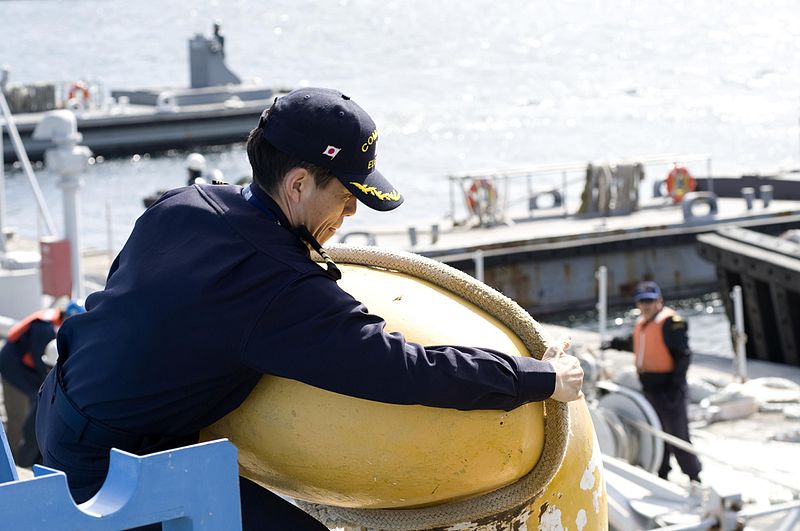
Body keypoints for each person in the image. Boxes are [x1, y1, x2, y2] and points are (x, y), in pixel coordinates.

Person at [36, 87, 584, 530]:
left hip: (60, 404)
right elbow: (401, 369)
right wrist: (540, 379)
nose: (347, 215)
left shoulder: (186, 204)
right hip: (113, 468)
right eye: (345, 197)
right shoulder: (277, 285)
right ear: (298, 184)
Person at [602, 281, 702, 484]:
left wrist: (675, 385)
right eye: (642, 302)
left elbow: (683, 356)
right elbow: (637, 344)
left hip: (669, 388)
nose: (646, 305)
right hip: (650, 389)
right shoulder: (643, 323)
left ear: (659, 301)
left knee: (677, 434)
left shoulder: (671, 323)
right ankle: (662, 472)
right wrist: (613, 343)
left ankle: (694, 476)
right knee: (658, 432)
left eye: (650, 301)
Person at [0, 300, 85, 467]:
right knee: (18, 413)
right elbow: (43, 367)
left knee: (34, 405)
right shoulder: (44, 329)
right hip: (12, 367)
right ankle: (14, 462)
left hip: (28, 367)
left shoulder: (56, 328)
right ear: (65, 317)